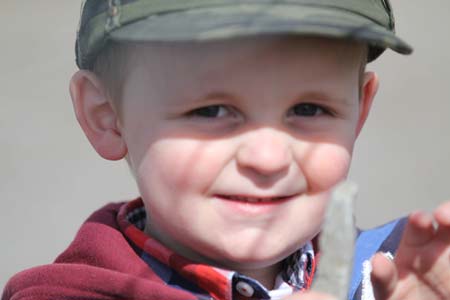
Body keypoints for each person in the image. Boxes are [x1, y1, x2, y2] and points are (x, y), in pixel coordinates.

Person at [3, 1, 450, 299]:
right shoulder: (71, 292)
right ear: (106, 115)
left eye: (309, 108)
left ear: (360, 111)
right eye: (212, 111)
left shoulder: (399, 275)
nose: (268, 157)